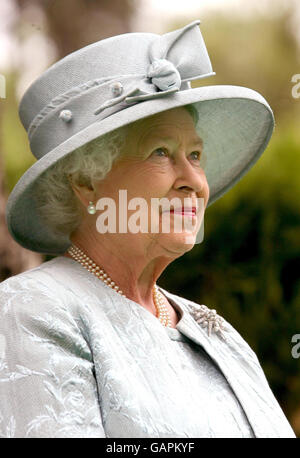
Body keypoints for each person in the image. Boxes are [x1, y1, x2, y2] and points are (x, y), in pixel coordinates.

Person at [0, 20, 296, 438]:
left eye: (195, 154)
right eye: (161, 152)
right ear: (86, 181)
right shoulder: (30, 310)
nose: (193, 181)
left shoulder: (216, 332)